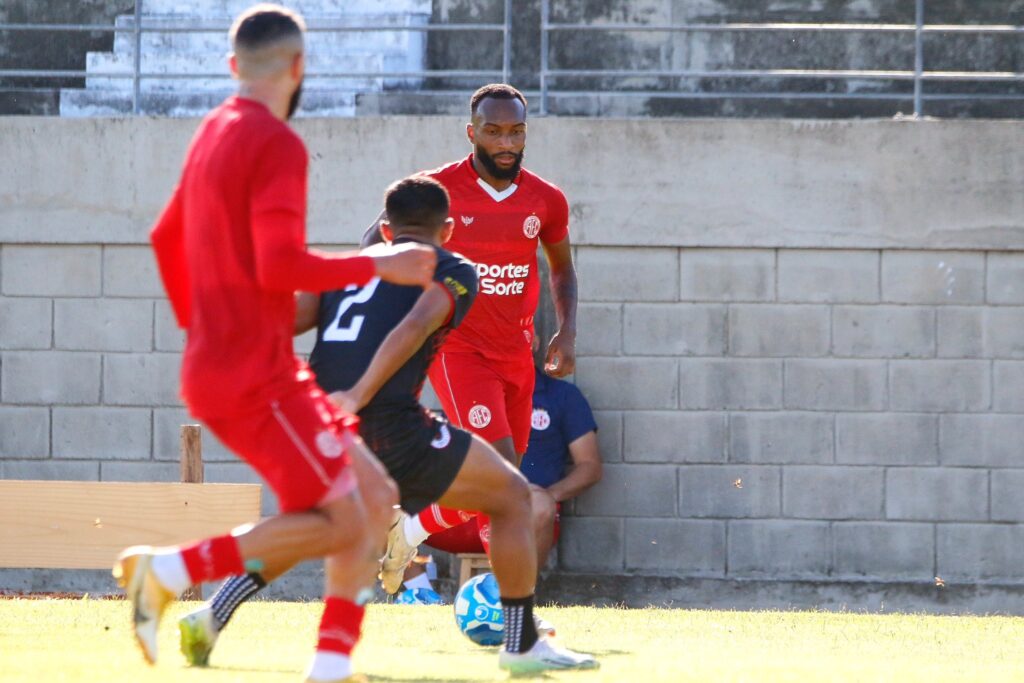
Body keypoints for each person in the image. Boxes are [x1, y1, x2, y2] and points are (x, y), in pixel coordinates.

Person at [113, 6, 436, 683]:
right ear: (298, 68)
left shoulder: (212, 130)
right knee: (344, 519)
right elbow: (279, 266)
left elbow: (164, 236)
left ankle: (331, 662)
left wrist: (203, 328)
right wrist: (381, 262)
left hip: (251, 366)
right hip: (252, 376)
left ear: (234, 68)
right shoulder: (276, 143)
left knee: (373, 500)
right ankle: (166, 570)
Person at [178, 176, 598, 674]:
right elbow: (415, 325)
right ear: (447, 230)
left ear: (383, 229)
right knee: (512, 494)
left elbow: (282, 320)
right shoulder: (452, 268)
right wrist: (359, 393)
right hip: (390, 425)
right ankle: (520, 643)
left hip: (327, 425)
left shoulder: (349, 269)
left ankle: (209, 615)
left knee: (318, 526)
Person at [365, 84, 580, 592]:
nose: (506, 142)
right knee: (508, 483)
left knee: (494, 482)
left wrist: (566, 330)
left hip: (516, 352)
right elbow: (373, 246)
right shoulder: (436, 192)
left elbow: (563, 269)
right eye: (494, 131)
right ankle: (512, 612)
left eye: (516, 131)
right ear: (472, 133)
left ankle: (409, 528)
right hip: (457, 349)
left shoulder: (545, 199)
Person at [399, 335, 603, 600]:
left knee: (532, 502)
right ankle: (419, 591)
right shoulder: (469, 383)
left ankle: (516, 598)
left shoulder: (562, 395)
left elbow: (590, 466)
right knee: (378, 492)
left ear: (534, 341)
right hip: (462, 511)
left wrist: (548, 494)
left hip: (525, 515)